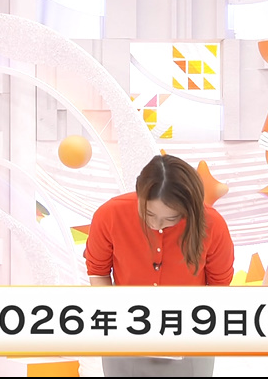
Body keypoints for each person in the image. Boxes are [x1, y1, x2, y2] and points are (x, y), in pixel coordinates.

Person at [84, 154, 235, 377]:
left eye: (171, 218)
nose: (156, 224)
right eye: (149, 214)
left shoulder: (212, 224)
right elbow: (98, 271)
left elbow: (219, 285)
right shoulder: (110, 215)